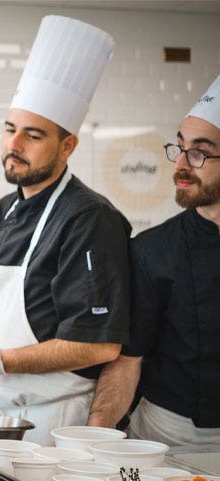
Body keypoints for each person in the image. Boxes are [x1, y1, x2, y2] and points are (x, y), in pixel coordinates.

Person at [0, 15, 132, 446]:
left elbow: (98, 347)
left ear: (68, 146)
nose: (14, 145)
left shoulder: (91, 220)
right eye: (9, 129)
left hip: (58, 424)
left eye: (33, 135)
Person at [87, 74, 220, 446]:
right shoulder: (152, 251)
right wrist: (97, 430)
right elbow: (128, 360)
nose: (180, 163)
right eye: (179, 148)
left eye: (199, 151)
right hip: (169, 438)